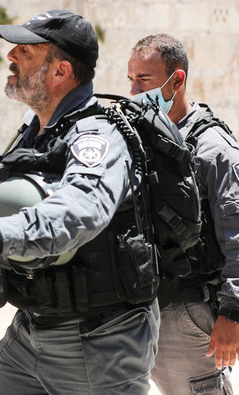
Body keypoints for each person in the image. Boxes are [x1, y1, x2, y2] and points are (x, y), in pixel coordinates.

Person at [0, 10, 160, 394]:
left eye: (26, 51)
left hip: (100, 340)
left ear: (60, 71)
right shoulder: (35, 133)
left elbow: (81, 208)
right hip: (32, 331)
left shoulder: (97, 135)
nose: (11, 57)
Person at [128, 33, 239, 395]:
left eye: (143, 80)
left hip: (189, 314)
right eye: (130, 79)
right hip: (144, 308)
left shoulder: (214, 150)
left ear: (176, 81)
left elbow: (236, 235)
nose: (133, 91)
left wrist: (233, 313)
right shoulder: (143, 139)